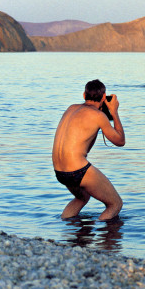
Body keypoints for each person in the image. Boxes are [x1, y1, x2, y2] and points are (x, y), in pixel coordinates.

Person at [52, 79, 126, 221]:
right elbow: (120, 141)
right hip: (77, 169)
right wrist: (114, 112)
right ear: (104, 97)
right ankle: (105, 238)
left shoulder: (71, 108)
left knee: (82, 197)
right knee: (115, 204)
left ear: (84, 95)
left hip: (59, 171)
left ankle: (66, 230)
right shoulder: (99, 116)